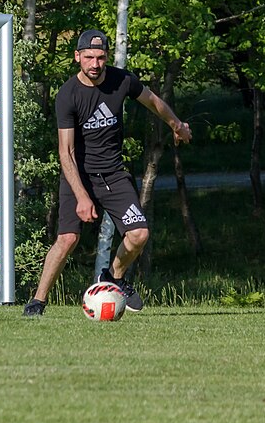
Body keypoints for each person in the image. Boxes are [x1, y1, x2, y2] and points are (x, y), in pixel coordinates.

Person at [22, 30, 192, 317]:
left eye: (100, 57)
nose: (95, 63)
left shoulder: (121, 80)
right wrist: (81, 196)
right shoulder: (67, 95)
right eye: (88, 57)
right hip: (79, 175)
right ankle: (37, 302)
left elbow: (153, 102)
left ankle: (113, 277)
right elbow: (66, 153)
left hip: (113, 174)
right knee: (67, 239)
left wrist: (176, 125)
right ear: (77, 57)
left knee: (139, 234)